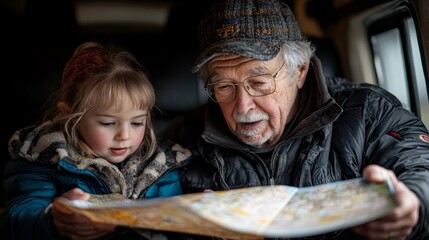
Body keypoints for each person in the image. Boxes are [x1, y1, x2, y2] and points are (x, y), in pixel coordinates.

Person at [162, 0, 429, 239]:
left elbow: (420, 165)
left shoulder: (369, 113)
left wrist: (414, 201)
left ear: (299, 70)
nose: (242, 106)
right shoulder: (182, 138)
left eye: (259, 82)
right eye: (223, 87)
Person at [0, 41, 193, 239]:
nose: (124, 136)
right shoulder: (42, 159)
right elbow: (18, 220)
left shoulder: (162, 165)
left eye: (136, 123)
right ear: (71, 115)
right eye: (108, 123)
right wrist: (54, 222)